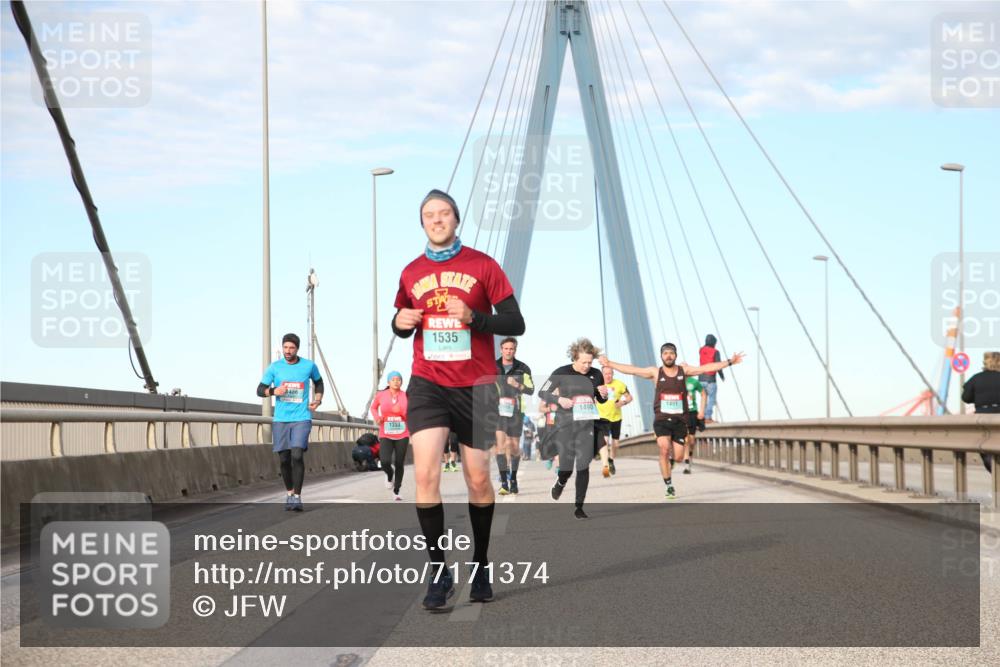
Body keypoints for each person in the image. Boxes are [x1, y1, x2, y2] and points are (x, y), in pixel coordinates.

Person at [392, 189, 525, 610]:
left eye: (443, 213)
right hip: (428, 382)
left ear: (456, 219)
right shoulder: (411, 272)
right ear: (422, 223)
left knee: (479, 479)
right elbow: (400, 320)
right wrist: (399, 322)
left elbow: (516, 322)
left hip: (477, 385)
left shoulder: (484, 265)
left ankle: (481, 565)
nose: (437, 220)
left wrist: (476, 319)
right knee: (426, 476)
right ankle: (439, 572)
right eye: (429, 215)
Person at [601, 344, 743, 499]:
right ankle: (669, 485)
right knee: (663, 448)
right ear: (661, 356)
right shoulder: (655, 372)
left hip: (680, 421)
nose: (668, 356)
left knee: (679, 457)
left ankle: (673, 461)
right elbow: (633, 370)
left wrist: (729, 362)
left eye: (671, 353)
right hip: (661, 419)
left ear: (675, 356)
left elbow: (706, 368)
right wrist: (610, 364)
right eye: (665, 353)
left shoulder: (684, 371)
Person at [538, 338, 608, 519]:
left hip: (587, 424)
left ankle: (579, 506)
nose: (587, 366)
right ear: (574, 358)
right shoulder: (561, 373)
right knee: (567, 468)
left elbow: (601, 400)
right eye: (583, 362)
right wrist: (559, 400)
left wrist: (604, 395)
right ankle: (561, 482)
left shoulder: (596, 374)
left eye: (589, 362)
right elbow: (542, 392)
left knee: (584, 464)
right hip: (565, 424)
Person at [256, 333, 323, 511]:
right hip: (281, 419)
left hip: (302, 418)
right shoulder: (274, 367)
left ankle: (298, 497)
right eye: (285, 347)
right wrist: (273, 391)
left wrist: (318, 399)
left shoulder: (309, 366)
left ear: (297, 349)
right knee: (284, 459)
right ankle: (289, 492)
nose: (287, 351)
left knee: (297, 455)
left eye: (291, 348)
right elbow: (259, 390)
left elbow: (319, 382)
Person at [495, 337, 534, 495]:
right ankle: (504, 482)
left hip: (516, 410)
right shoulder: (492, 366)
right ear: (501, 349)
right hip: (497, 411)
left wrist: (517, 385)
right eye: (506, 348)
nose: (508, 351)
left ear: (515, 350)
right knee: (501, 445)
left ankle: (514, 479)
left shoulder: (523, 368)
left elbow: (531, 389)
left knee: (513, 446)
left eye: (511, 349)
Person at [370, 371, 410, 501]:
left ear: (401, 382)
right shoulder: (381, 395)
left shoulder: (406, 396)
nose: (396, 381)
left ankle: (397, 491)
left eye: (399, 379)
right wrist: (377, 418)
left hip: (402, 433)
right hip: (386, 433)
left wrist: (402, 413)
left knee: (399, 462)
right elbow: (373, 408)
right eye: (393, 379)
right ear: (388, 382)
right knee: (385, 461)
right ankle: (389, 475)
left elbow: (411, 413)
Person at [962, 351, 1000, 473]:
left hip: (982, 418)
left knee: (985, 448)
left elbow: (966, 398)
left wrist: (980, 397)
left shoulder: (975, 378)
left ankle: (994, 472)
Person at [595, 365, 632, 478]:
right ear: (602, 374)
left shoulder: (619, 384)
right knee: (604, 441)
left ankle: (611, 460)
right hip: (602, 418)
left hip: (616, 418)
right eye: (605, 373)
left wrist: (623, 402)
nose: (608, 375)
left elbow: (630, 397)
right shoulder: (597, 384)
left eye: (610, 373)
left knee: (615, 444)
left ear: (613, 374)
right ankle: (605, 466)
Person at [681, 373, 706, 474]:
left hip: (692, 413)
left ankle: (690, 459)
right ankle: (687, 465)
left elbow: (703, 394)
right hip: (680, 413)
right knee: (685, 439)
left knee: (691, 441)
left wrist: (702, 411)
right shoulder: (675, 381)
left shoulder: (694, 382)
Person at [698, 334, 726, 422]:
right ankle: (708, 417)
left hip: (701, 378)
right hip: (710, 379)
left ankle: (702, 416)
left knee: (703, 398)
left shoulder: (701, 350)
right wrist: (722, 376)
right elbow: (718, 365)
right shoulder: (715, 352)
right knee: (711, 399)